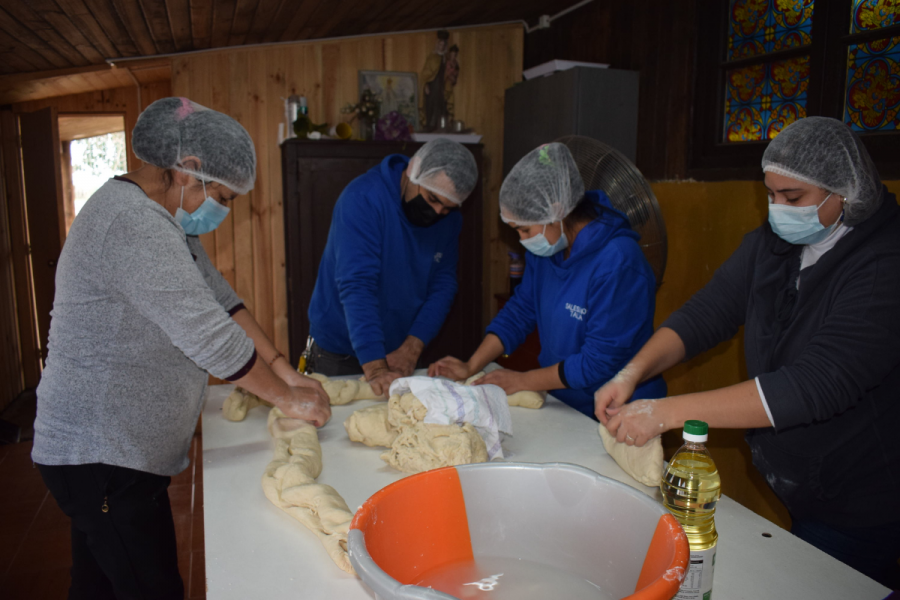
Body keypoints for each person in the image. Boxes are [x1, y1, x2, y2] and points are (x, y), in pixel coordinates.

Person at [32, 97, 331, 600]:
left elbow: (224, 304)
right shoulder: (134, 225)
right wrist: (286, 398)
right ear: (188, 170)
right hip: (102, 454)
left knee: (99, 583)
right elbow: (210, 339)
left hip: (114, 453)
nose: (224, 210)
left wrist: (285, 370)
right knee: (150, 587)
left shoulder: (161, 220)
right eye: (223, 195)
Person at [594, 117, 900, 587]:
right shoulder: (777, 241)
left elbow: (813, 386)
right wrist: (630, 373)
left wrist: (664, 413)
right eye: (770, 194)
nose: (777, 209)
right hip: (800, 482)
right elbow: (707, 314)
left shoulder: (885, 266)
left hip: (860, 501)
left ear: (846, 193)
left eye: (792, 198)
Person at [429, 143, 666, 418]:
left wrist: (522, 380)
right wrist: (471, 365)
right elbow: (520, 311)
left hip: (621, 411)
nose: (522, 240)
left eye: (524, 229)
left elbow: (597, 363)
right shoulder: (549, 248)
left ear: (557, 211)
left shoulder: (619, 262)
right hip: (564, 402)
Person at [307, 138, 478, 396]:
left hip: (402, 353)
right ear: (413, 170)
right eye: (431, 199)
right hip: (340, 354)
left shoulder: (450, 221)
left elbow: (443, 284)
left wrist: (413, 346)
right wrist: (376, 368)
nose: (436, 212)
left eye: (447, 208)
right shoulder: (363, 200)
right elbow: (358, 285)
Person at [420, 29, 449, 131]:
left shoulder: (446, 58)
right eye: (440, 45)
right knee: (431, 105)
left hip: (441, 85)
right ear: (437, 45)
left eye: (443, 45)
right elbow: (425, 73)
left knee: (441, 105)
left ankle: (439, 125)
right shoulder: (432, 57)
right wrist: (426, 85)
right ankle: (430, 125)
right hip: (432, 85)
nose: (441, 47)